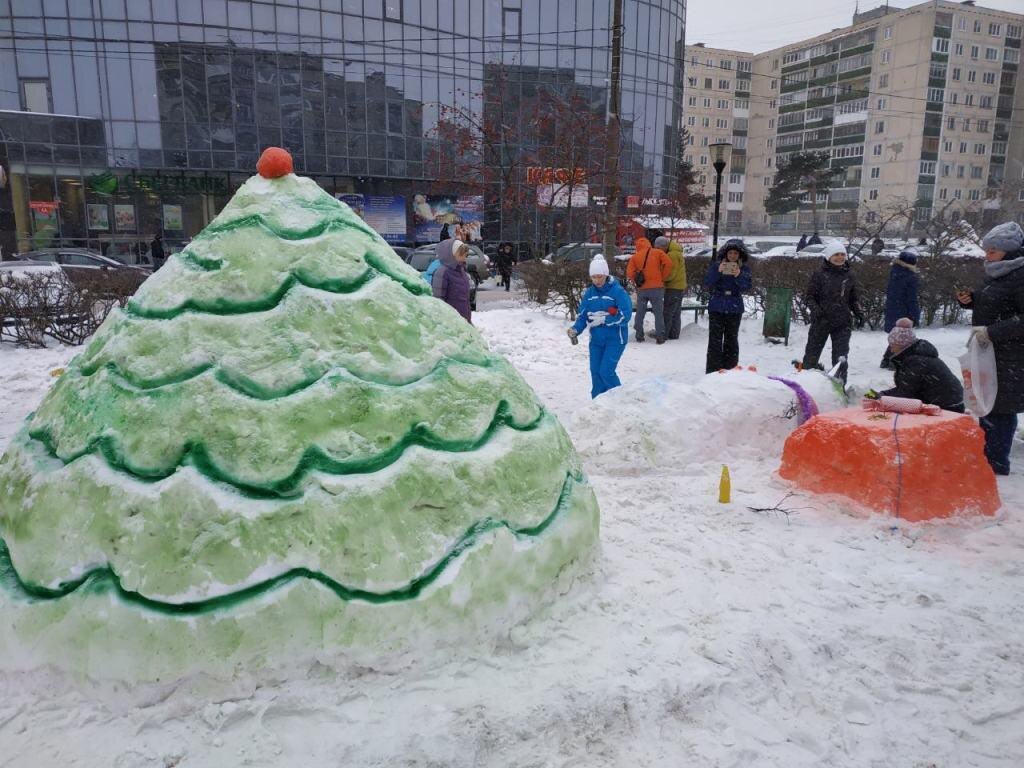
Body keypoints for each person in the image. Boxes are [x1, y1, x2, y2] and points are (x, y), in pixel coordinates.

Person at [955, 221, 1024, 475]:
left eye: (992, 251)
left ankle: (996, 464)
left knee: (1001, 407)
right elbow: (998, 304)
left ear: (1009, 250)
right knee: (986, 402)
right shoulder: (999, 271)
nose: (987, 256)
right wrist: (971, 300)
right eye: (987, 250)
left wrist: (991, 332)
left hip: (1011, 356)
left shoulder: (1020, 275)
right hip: (989, 352)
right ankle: (986, 455)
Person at [568, 256, 633, 398]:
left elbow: (626, 315)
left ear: (606, 274)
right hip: (596, 340)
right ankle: (598, 404)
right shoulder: (590, 293)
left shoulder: (617, 292)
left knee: (606, 372)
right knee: (596, 372)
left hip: (615, 339)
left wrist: (605, 319)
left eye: (600, 277)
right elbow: (583, 316)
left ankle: (620, 401)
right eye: (594, 277)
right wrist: (575, 329)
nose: (597, 281)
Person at [801, 241, 865, 383]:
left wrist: (859, 312)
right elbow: (809, 297)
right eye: (836, 254)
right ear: (829, 256)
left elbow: (854, 298)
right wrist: (816, 310)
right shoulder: (819, 274)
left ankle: (839, 386)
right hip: (822, 320)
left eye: (842, 254)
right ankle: (805, 383)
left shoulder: (849, 275)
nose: (840, 257)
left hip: (842, 322)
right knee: (812, 355)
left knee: (840, 358)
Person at [878, 318, 964, 412]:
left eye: (893, 345)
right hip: (950, 403)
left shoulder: (916, 362)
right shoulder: (916, 357)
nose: (891, 350)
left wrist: (881, 396)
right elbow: (907, 389)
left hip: (948, 408)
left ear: (902, 345)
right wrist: (882, 394)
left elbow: (906, 394)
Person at [703, 238, 753, 373]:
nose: (732, 256)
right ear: (726, 253)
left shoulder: (744, 269)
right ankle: (713, 370)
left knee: (731, 339)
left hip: (734, 308)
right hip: (717, 307)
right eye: (730, 253)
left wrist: (739, 275)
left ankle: (730, 369)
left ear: (740, 255)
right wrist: (717, 271)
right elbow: (708, 283)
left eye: (735, 254)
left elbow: (747, 286)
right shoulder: (716, 266)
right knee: (715, 340)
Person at [880, 246, 921, 369]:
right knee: (903, 339)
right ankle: (893, 362)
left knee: (897, 337)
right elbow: (912, 298)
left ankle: (886, 360)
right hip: (904, 311)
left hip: (893, 309)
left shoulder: (894, 272)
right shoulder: (911, 277)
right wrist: (915, 315)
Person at [626, 236, 672, 343]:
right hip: (657, 288)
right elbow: (668, 263)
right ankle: (660, 336)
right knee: (658, 313)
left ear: (637, 246)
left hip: (642, 289)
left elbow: (629, 273)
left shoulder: (635, 257)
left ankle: (639, 335)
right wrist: (662, 277)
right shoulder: (657, 253)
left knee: (640, 313)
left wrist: (637, 281)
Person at [431, 238, 472, 323]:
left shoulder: (462, 271)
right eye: (461, 253)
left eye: (465, 254)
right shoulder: (442, 272)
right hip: (451, 323)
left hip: (464, 321)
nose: (464, 257)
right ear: (451, 254)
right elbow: (438, 301)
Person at [661, 236, 688, 340]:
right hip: (679, 287)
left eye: (660, 248)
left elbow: (670, 273)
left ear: (664, 246)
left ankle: (664, 334)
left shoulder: (671, 255)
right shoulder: (677, 252)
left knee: (668, 312)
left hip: (673, 287)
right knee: (676, 312)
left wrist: (661, 278)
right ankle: (674, 334)